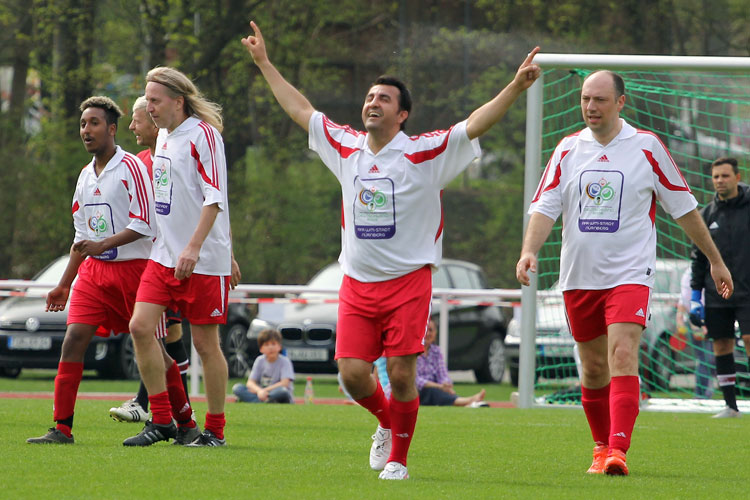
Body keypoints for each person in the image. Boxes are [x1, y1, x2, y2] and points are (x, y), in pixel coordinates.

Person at [242, 21, 541, 479]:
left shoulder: (425, 153)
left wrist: (514, 88)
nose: (372, 103)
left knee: (402, 375)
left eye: (383, 98)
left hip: (408, 284)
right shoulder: (345, 147)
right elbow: (301, 110)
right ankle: (387, 422)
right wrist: (265, 63)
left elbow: (475, 123)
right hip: (357, 283)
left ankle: (398, 459)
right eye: (369, 97)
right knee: (352, 375)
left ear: (402, 115)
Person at [516, 70, 733, 476]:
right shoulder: (567, 150)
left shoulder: (646, 147)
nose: (590, 107)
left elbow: (683, 207)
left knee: (622, 354)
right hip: (579, 276)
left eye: (599, 100)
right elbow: (545, 207)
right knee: (594, 367)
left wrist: (716, 260)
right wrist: (529, 251)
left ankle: (618, 450)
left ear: (620, 103)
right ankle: (600, 448)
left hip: (630, 273)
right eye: (585, 99)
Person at [27, 96, 197, 445]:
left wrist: (104, 245)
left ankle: (184, 422)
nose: (86, 130)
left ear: (112, 129)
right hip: (94, 274)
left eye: (94, 123)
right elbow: (81, 236)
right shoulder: (85, 176)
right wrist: (63, 285)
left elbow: (146, 224)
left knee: (153, 348)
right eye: (83, 124)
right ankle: (62, 427)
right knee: (73, 340)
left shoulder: (132, 167)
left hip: (135, 271)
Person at [125, 67, 233, 447]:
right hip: (163, 256)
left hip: (201, 260)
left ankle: (214, 431)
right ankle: (165, 419)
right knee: (140, 328)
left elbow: (214, 196)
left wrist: (197, 246)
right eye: (147, 99)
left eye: (154, 100)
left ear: (177, 101)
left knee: (205, 346)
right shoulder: (166, 137)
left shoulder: (204, 136)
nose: (148, 106)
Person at [109, 96, 192, 423]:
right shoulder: (141, 161)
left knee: (167, 334)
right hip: (154, 260)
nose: (132, 126)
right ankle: (170, 408)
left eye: (137, 119)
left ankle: (154, 405)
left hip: (173, 259)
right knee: (167, 334)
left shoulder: (177, 156)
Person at [689, 157, 749, 418]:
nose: (720, 181)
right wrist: (695, 296)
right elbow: (698, 258)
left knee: (749, 340)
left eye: (725, 176)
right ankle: (730, 406)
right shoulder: (706, 214)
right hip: (716, 294)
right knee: (721, 345)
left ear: (737, 177)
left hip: (748, 292)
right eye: (716, 177)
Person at [408, 319, 486, 407]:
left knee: (439, 391)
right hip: (417, 392)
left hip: (436, 390)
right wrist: (439, 386)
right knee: (431, 391)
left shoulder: (436, 351)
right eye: (426, 330)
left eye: (431, 330)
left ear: (435, 333)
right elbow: (415, 380)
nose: (428, 334)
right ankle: (467, 401)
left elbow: (443, 374)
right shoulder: (412, 352)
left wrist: (445, 385)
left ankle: (465, 402)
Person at [676, 266, 714, 399]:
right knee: (706, 358)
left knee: (711, 359)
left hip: (713, 318)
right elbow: (685, 299)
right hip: (697, 320)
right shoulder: (690, 273)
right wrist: (685, 320)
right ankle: (700, 394)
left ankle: (706, 391)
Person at [232, 329, 294, 404]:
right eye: (267, 344)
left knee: (283, 391)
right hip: (260, 393)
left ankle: (254, 400)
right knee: (237, 388)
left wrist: (265, 391)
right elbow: (250, 382)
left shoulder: (285, 361)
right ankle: (266, 401)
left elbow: (284, 383)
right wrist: (259, 391)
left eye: (273, 344)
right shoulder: (259, 360)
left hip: (274, 392)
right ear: (261, 349)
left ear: (279, 347)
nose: (270, 347)